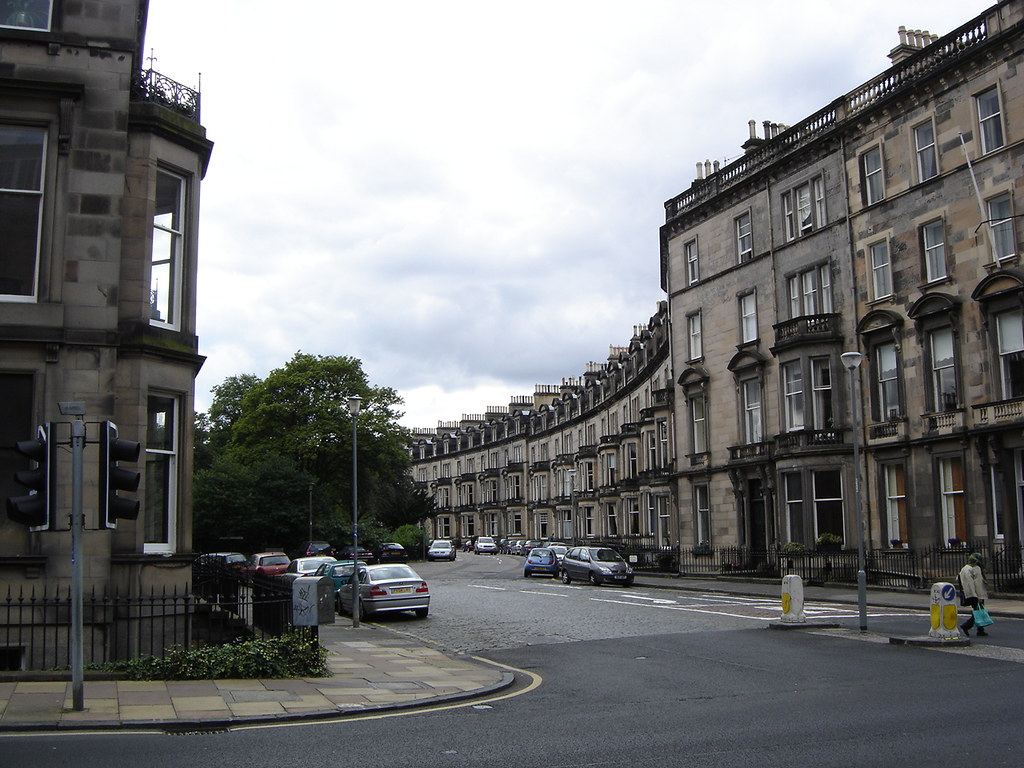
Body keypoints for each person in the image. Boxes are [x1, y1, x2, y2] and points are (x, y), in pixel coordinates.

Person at [959, 553, 989, 637]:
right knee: (977, 612)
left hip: (978, 593)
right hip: (975, 594)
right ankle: (966, 626)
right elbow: (970, 584)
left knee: (978, 611)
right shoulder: (969, 569)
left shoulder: (973, 568)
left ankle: (980, 630)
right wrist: (975, 595)